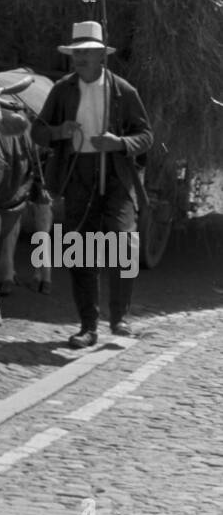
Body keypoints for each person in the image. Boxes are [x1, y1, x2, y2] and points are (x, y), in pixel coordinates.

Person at [31, 20, 153, 349]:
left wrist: (118, 143)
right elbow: (37, 131)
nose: (81, 58)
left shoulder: (123, 91)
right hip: (78, 174)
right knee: (80, 250)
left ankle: (119, 317)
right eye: (77, 53)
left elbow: (146, 136)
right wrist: (59, 132)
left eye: (88, 53)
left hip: (116, 175)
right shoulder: (62, 90)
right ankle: (88, 326)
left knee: (123, 245)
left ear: (101, 56)